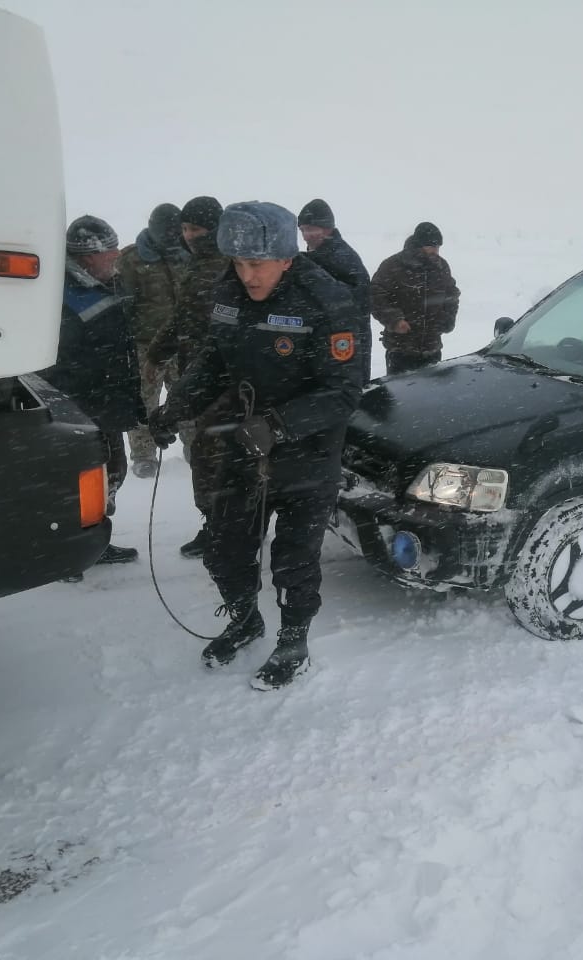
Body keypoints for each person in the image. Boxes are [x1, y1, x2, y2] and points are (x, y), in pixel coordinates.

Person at [147, 201, 363, 690]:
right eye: (240, 263)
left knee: (293, 557)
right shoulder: (230, 294)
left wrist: (280, 425)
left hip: (307, 450)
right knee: (225, 546)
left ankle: (294, 638)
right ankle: (246, 620)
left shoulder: (328, 302)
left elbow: (344, 392)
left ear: (287, 258)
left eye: (257, 263)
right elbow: (214, 361)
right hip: (245, 445)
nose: (247, 275)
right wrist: (176, 408)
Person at [41, 215, 144, 570]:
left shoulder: (103, 283)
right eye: (109, 255)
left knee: (109, 474)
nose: (116, 260)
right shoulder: (63, 297)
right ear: (86, 258)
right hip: (82, 409)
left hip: (105, 403)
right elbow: (60, 365)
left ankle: (92, 542)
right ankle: (69, 552)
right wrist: (88, 401)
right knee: (82, 480)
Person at [144, 195, 230, 558]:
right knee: (207, 453)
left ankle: (225, 529)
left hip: (220, 377)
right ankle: (218, 525)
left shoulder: (226, 266)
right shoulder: (200, 264)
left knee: (217, 455)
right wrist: (158, 352)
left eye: (195, 229)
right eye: (184, 228)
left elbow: (216, 328)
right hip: (200, 372)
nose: (188, 235)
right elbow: (182, 317)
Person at [117, 202, 190, 478]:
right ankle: (144, 456)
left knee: (187, 399)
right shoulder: (132, 259)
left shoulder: (187, 255)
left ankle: (195, 448)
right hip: (145, 346)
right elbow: (123, 305)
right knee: (145, 403)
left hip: (183, 344)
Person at [370, 221, 460, 375]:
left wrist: (447, 318)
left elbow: (451, 295)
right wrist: (395, 320)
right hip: (400, 350)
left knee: (430, 397)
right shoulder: (393, 265)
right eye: (432, 246)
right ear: (419, 245)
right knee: (399, 396)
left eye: (438, 247)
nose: (435, 251)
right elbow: (375, 296)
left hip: (432, 349)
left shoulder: (441, 266)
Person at [297, 199, 372, 377]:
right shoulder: (315, 256)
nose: (306, 235)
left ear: (327, 228)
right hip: (322, 342)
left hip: (345, 344)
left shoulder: (343, 257)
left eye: (311, 229)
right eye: (302, 230)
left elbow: (359, 300)